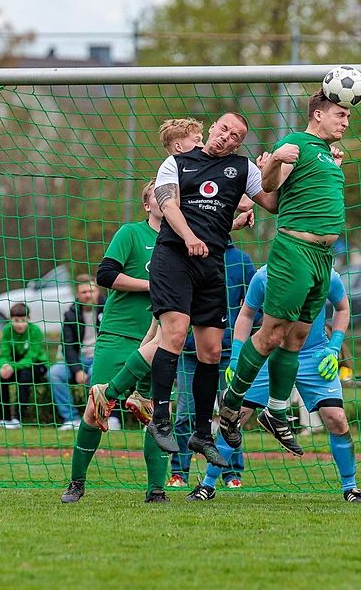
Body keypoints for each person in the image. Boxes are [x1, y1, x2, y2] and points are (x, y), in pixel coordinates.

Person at [135, 113, 283, 487]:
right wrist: (187, 236)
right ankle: (162, 418)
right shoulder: (177, 162)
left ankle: (203, 433)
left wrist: (273, 169)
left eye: (235, 136)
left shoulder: (243, 168)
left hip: (210, 263)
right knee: (174, 331)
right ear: (212, 129)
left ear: (238, 143)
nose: (226, 137)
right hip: (174, 257)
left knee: (212, 352)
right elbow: (169, 205)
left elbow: (273, 202)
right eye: (223, 129)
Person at [218, 90, 350, 457]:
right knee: (272, 334)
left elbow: (277, 202)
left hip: (323, 258)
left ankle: (276, 412)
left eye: (348, 116)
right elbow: (271, 185)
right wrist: (274, 159)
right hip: (294, 252)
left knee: (297, 337)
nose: (345, 121)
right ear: (318, 114)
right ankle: (230, 405)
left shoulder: (327, 155)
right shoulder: (295, 142)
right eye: (340, 114)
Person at [187, 264, 361, 503]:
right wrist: (237, 355)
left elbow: (342, 308)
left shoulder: (327, 274)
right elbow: (247, 313)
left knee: (336, 417)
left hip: (314, 354)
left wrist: (334, 347)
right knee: (235, 416)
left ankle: (351, 487)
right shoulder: (264, 276)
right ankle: (207, 485)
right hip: (268, 352)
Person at [59, 178, 165, 504]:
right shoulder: (131, 233)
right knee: (96, 408)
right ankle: (77, 482)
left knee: (157, 414)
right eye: (159, 196)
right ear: (148, 204)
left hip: (161, 342)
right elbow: (105, 276)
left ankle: (156, 490)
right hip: (118, 338)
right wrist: (151, 285)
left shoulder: (183, 241)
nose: (166, 200)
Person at [167, 237, 257, 488]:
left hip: (228, 352)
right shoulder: (189, 254)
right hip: (190, 352)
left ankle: (231, 474)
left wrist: (242, 333)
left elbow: (257, 302)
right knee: (186, 413)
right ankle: (179, 472)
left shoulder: (241, 260)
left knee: (230, 415)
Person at [48, 274, 104, 430]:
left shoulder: (110, 310)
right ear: (77, 294)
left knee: (96, 374)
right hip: (79, 360)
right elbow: (68, 346)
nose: (87, 295)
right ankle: (71, 419)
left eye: (90, 291)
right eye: (83, 292)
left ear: (97, 291)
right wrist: (77, 370)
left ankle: (99, 418)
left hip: (100, 359)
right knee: (54, 373)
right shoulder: (71, 314)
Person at [0, 302, 49, 429]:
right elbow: (4, 353)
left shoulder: (35, 331)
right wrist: (4, 365)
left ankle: (17, 418)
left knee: (25, 374)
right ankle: (4, 418)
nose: (20, 324)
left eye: (23, 320)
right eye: (16, 320)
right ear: (11, 320)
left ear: (29, 319)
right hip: (16, 365)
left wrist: (13, 367)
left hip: (37, 365)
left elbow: (31, 357)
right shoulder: (7, 330)